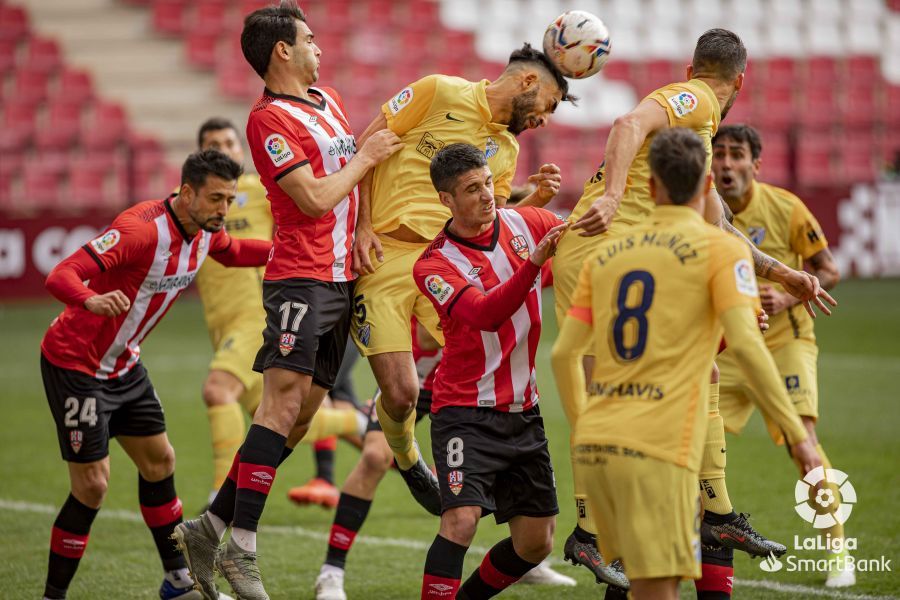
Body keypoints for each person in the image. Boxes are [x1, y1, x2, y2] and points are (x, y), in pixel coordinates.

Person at [551, 28, 836, 591]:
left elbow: (719, 223)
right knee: (619, 386)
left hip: (624, 256)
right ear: (738, 81)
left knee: (699, 365)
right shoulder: (700, 100)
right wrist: (610, 198)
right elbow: (628, 123)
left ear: (691, 64)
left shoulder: (696, 146)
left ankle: (719, 513)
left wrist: (785, 273)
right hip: (602, 250)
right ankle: (588, 525)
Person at [173, 4, 401, 599]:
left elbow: (353, 191)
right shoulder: (267, 121)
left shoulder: (326, 101)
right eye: (309, 39)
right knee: (280, 406)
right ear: (282, 50)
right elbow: (317, 197)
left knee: (300, 418)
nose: (318, 47)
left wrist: (365, 227)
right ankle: (241, 551)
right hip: (299, 279)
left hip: (341, 278)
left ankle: (208, 526)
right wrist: (366, 158)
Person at [349, 43, 573, 516]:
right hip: (385, 255)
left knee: (493, 366)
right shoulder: (437, 91)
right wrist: (362, 225)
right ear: (529, 82)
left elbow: (489, 218)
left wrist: (534, 198)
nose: (545, 120)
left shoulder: (507, 148)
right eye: (550, 105)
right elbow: (367, 148)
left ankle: (520, 513)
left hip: (443, 266)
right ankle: (408, 458)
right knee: (400, 392)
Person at [40, 149, 269, 600]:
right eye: (216, 199)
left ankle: (177, 581)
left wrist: (294, 255)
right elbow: (61, 274)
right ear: (187, 193)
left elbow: (235, 251)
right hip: (77, 365)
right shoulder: (140, 230)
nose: (225, 210)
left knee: (160, 462)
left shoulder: (205, 231)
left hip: (124, 365)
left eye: (230, 199)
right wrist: (89, 299)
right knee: (93, 486)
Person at [411, 143, 568, 599]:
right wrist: (536, 262)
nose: (486, 195)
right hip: (465, 412)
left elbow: (581, 236)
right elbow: (482, 314)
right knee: (460, 521)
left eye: (487, 183)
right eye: (471, 189)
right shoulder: (434, 264)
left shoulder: (524, 222)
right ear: (446, 200)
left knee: (536, 543)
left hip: (524, 408)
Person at [192, 117, 364, 509]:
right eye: (211, 143)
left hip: (261, 313)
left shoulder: (260, 191)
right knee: (276, 421)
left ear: (241, 151)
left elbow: (298, 228)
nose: (221, 149)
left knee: (217, 389)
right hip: (223, 324)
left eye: (228, 142)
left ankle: (220, 496)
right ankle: (359, 421)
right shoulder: (193, 201)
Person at [710, 124, 850, 587]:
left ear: (756, 164)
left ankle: (837, 552)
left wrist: (789, 298)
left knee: (803, 445)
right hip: (729, 346)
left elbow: (829, 270)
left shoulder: (787, 207)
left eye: (736, 155)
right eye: (719, 155)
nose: (726, 164)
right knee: (693, 445)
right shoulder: (706, 211)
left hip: (785, 342)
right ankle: (691, 541)